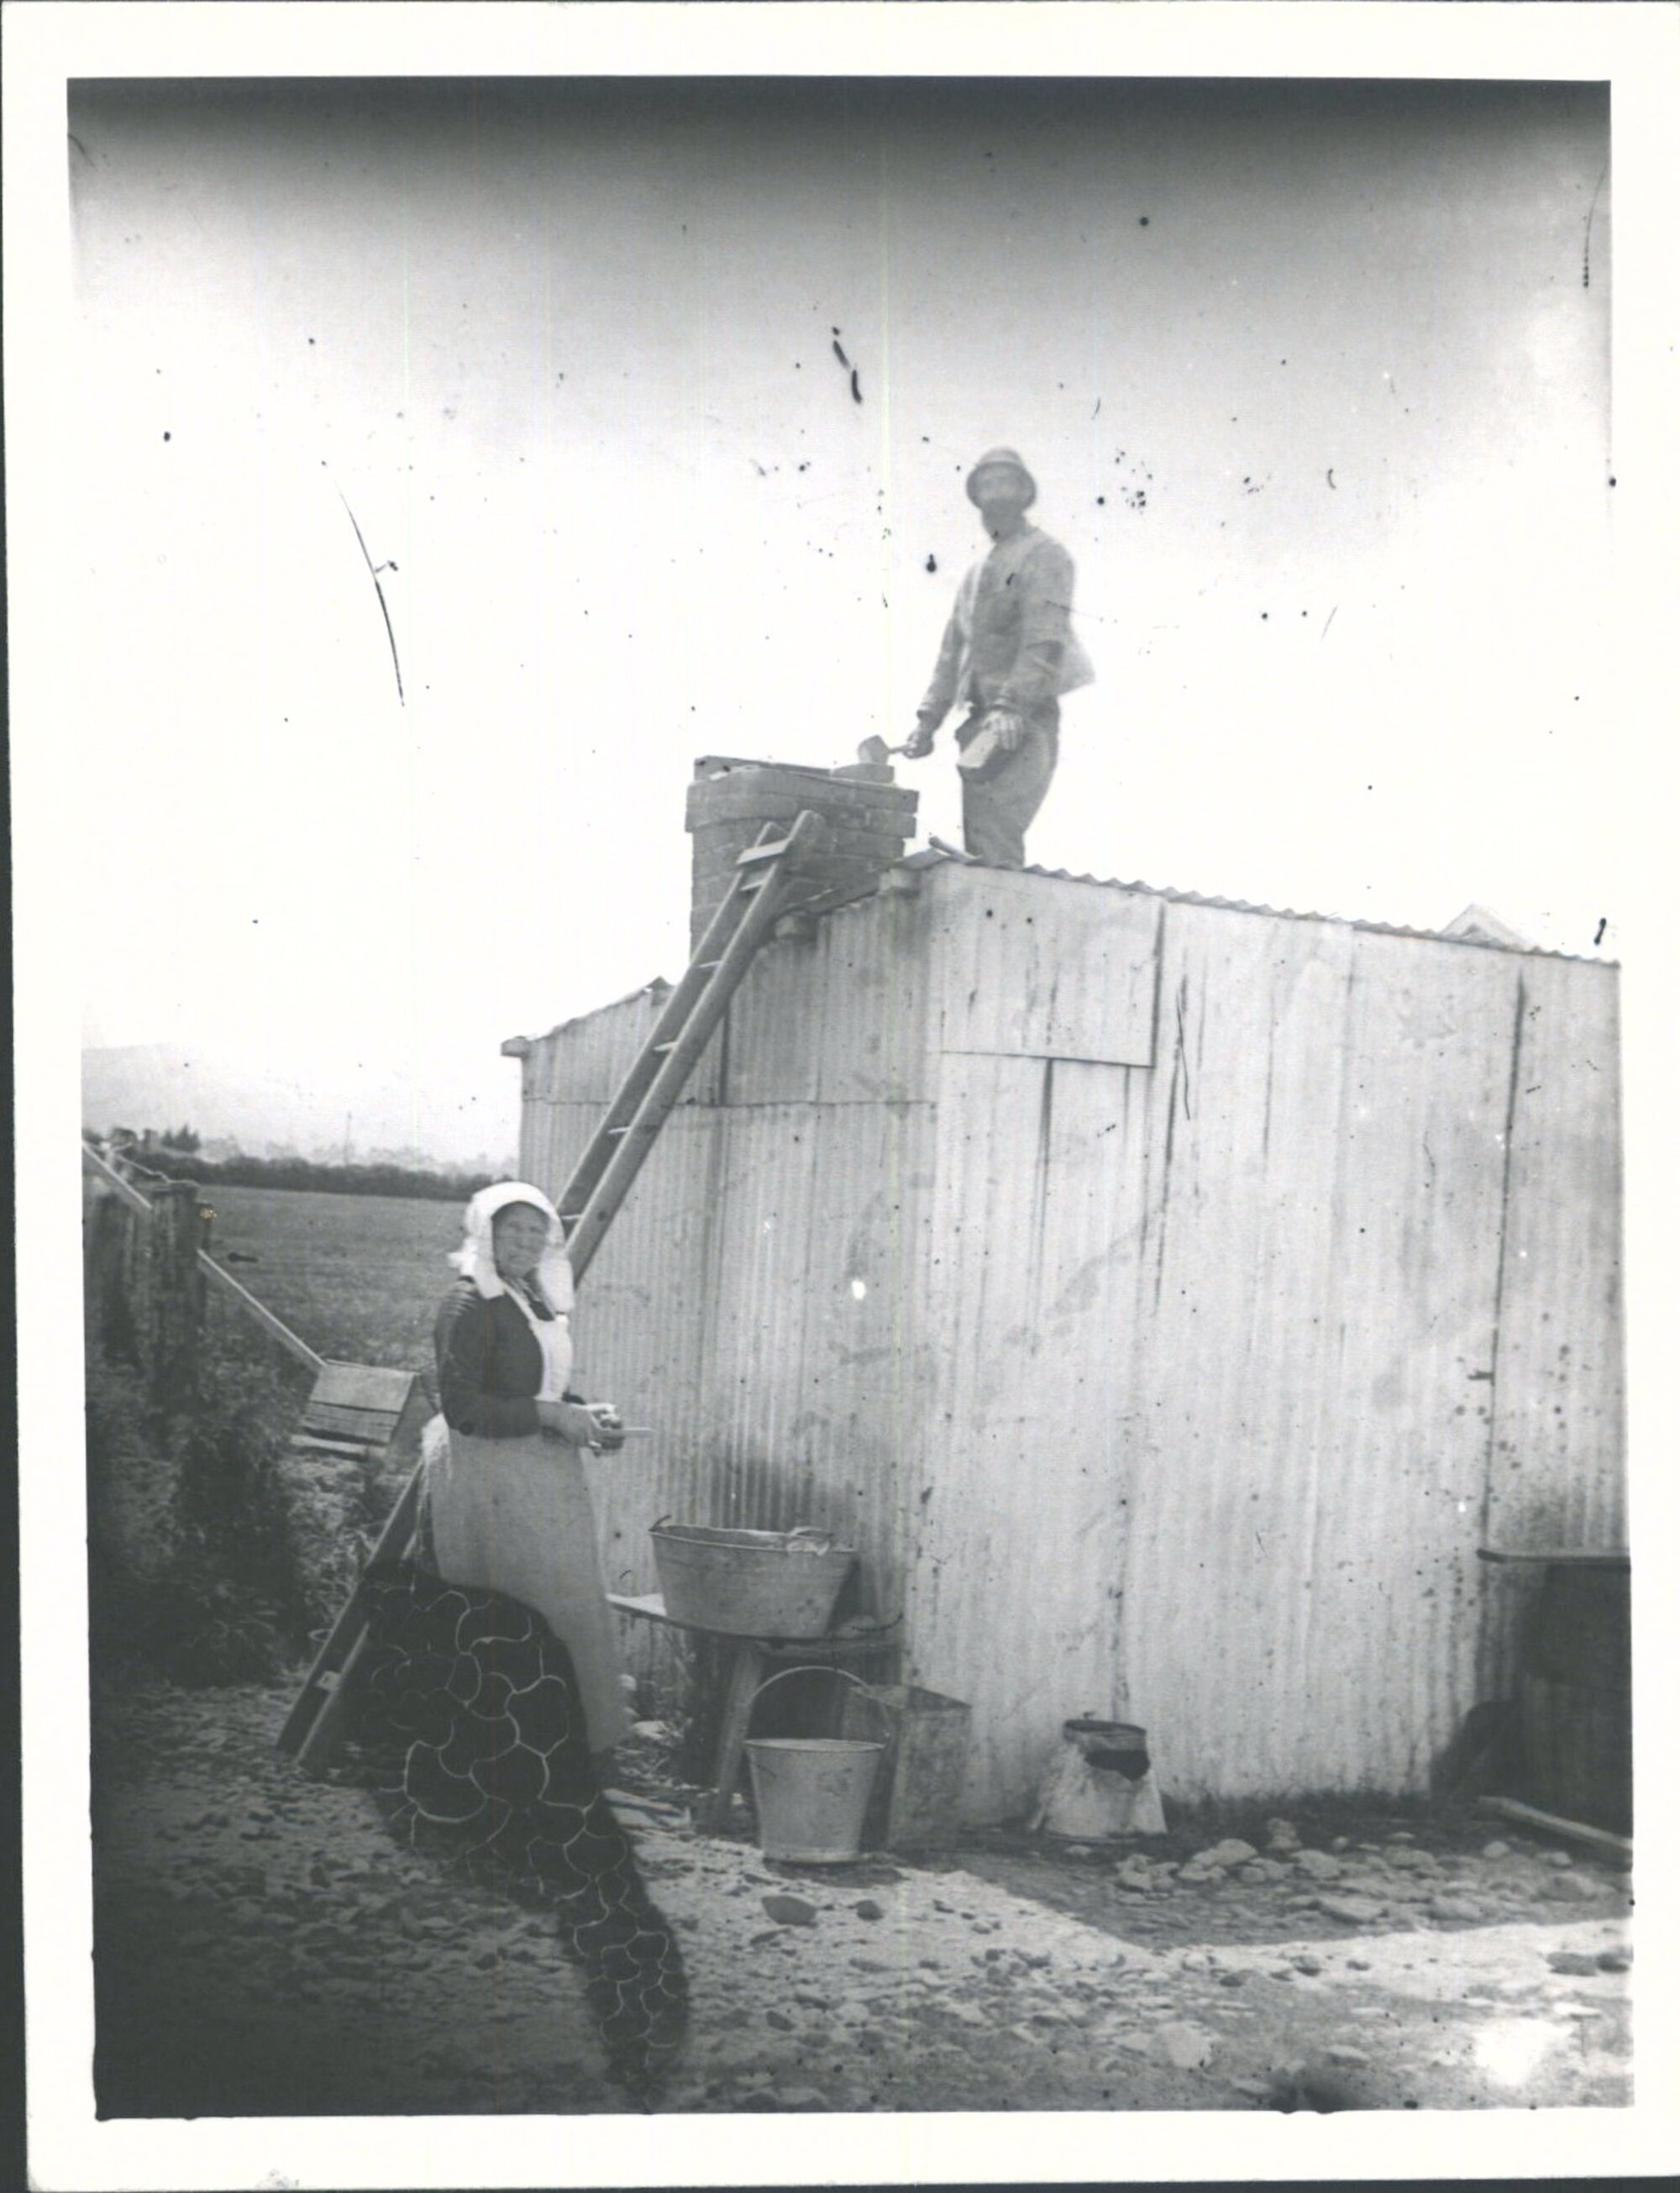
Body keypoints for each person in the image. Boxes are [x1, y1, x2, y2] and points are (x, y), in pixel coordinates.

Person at [425, 1179, 633, 1758]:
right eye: (511, 1228)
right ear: (484, 1234)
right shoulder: (467, 1302)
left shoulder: (532, 1297)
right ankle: (501, 1753)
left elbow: (537, 1383)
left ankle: (554, 1746)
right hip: (489, 1474)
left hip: (538, 1471)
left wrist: (583, 1412)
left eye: (535, 1230)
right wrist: (549, 1414)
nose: (524, 1240)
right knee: (515, 1609)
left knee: (559, 1605)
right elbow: (463, 1408)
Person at [904, 445, 1095, 867]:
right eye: (985, 485)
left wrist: (1012, 707)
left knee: (997, 840)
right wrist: (926, 723)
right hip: (980, 727)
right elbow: (951, 655)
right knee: (981, 848)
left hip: (1021, 724)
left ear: (1024, 494)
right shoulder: (976, 574)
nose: (994, 495)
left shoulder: (1044, 555)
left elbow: (1045, 640)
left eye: (1004, 484)